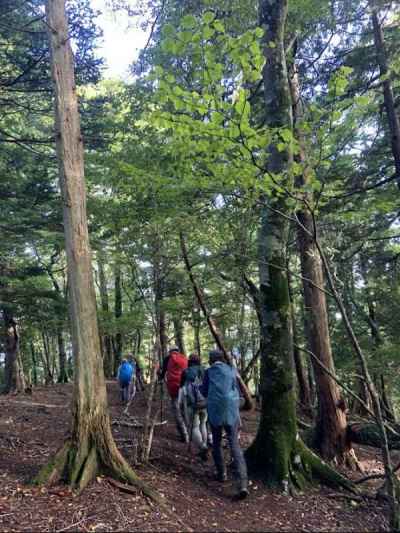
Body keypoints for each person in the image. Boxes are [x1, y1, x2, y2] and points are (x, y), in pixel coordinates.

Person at [201, 349, 248, 500]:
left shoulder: (208, 372)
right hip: (231, 410)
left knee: (216, 442)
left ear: (211, 360)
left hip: (215, 410)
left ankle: (222, 474)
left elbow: (204, 391)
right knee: (234, 444)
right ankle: (243, 484)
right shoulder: (231, 370)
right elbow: (237, 387)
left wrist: (198, 388)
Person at [179, 353, 208, 461]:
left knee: (194, 426)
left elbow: (181, 387)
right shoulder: (204, 370)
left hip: (192, 403)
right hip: (204, 402)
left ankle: (202, 447)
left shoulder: (186, 372)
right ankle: (203, 447)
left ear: (189, 361)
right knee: (203, 424)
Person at [159, 347, 189, 443]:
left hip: (173, 389)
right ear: (178, 351)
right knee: (185, 410)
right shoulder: (184, 358)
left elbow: (163, 373)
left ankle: (184, 435)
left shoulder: (167, 359)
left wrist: (159, 375)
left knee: (177, 411)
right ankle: (190, 432)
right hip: (184, 388)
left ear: (170, 352)